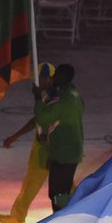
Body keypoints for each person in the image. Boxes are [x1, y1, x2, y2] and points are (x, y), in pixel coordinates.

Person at [0, 63, 56, 223]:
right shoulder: (47, 95)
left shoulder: (53, 97)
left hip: (49, 146)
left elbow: (42, 119)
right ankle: (17, 216)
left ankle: (18, 217)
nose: (33, 85)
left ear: (47, 79)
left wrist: (15, 136)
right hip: (43, 143)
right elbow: (37, 119)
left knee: (34, 182)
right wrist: (15, 136)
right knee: (59, 180)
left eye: (37, 81)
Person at [34, 63, 84, 211]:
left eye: (56, 75)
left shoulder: (63, 100)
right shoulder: (75, 96)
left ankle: (61, 217)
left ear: (63, 78)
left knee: (57, 193)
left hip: (63, 153)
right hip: (73, 151)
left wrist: (38, 99)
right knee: (63, 191)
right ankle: (64, 216)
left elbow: (43, 118)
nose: (53, 77)